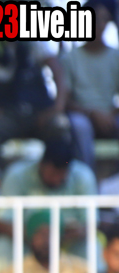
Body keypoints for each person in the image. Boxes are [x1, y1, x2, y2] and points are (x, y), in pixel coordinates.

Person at [0, 41, 69, 169]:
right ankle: (2, 175)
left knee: (60, 126)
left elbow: (58, 72)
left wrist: (57, 108)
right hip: (10, 116)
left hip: (40, 113)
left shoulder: (34, 42)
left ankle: (55, 171)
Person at [0, 138, 96, 264]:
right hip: (25, 240)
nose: (57, 179)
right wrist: (37, 239)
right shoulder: (16, 175)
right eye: (53, 174)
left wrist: (59, 238)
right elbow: (3, 222)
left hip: (67, 242)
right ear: (41, 164)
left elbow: (90, 224)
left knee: (91, 245)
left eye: (61, 174)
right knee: (3, 245)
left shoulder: (83, 176)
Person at [63, 0, 119, 171]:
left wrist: (110, 114)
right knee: (80, 126)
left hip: (110, 115)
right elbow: (65, 101)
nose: (100, 25)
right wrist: (92, 113)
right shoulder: (70, 58)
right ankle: (87, 179)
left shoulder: (116, 56)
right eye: (95, 20)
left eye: (104, 19)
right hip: (81, 115)